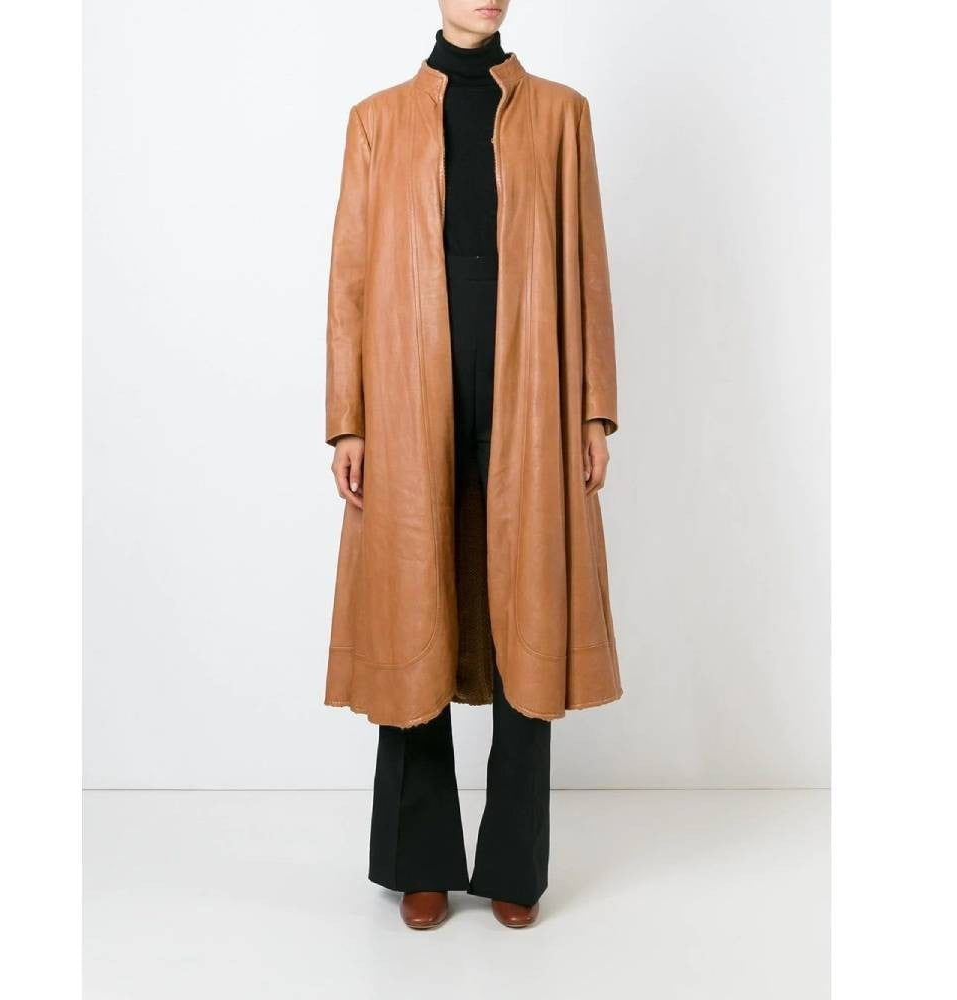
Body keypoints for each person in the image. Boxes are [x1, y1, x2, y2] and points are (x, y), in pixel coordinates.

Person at [324, 0, 622, 930]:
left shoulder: (561, 115)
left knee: (527, 605)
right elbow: (350, 282)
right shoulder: (376, 120)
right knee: (413, 602)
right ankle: (419, 860)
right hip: (410, 395)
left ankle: (513, 867)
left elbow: (588, 266)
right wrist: (348, 422)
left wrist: (594, 409)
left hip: (531, 388)